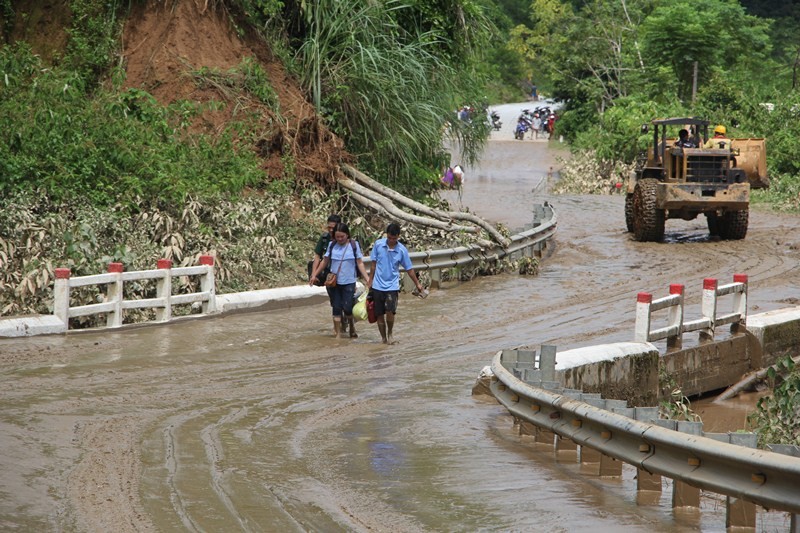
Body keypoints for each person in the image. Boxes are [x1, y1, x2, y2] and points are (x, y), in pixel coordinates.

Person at [367, 223, 425, 345]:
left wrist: (418, 284)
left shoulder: (402, 250)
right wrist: (370, 280)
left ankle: (390, 335)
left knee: (390, 311)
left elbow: (409, 269)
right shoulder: (378, 245)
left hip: (392, 286)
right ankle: (383, 339)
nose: (392, 241)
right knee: (378, 314)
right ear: (386, 235)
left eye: (394, 238)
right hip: (377, 285)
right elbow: (373, 265)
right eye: (389, 238)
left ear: (398, 236)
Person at [309, 223, 370, 339]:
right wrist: (314, 275)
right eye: (337, 237)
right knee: (336, 307)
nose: (340, 239)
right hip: (334, 282)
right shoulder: (332, 245)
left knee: (347, 307)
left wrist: (367, 279)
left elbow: (360, 263)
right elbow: (324, 261)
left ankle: (351, 326)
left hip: (349, 282)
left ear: (347, 235)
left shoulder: (354, 245)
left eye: (342, 237)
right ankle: (338, 335)